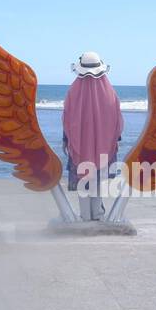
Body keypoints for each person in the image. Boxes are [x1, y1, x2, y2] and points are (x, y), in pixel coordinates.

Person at [61, 52, 123, 220]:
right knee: (97, 179)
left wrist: (66, 140)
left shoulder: (73, 91)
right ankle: (97, 214)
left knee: (84, 180)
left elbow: (67, 119)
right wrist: (114, 140)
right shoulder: (109, 91)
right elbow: (116, 120)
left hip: (80, 144)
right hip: (103, 145)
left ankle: (86, 215)